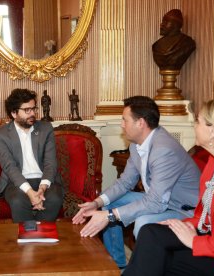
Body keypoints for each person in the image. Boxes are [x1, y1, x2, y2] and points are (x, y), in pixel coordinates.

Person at [124, 98, 214, 276]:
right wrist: (180, 225)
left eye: (198, 121)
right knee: (151, 232)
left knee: (159, 258)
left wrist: (195, 243)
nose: (194, 126)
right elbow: (203, 217)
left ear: (213, 131)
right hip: (212, 239)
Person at [72, 96, 200, 268]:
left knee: (143, 223)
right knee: (111, 202)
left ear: (140, 123)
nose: (122, 125)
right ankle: (118, 265)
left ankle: (148, 269)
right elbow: (125, 183)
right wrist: (96, 203)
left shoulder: (164, 150)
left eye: (125, 120)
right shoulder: (137, 144)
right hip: (160, 201)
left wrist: (110, 216)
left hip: (184, 210)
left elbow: (155, 203)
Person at [0, 88, 63, 222]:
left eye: (34, 109)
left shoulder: (45, 128)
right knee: (18, 201)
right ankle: (27, 238)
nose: (32, 114)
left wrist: (42, 188)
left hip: (45, 180)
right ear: (14, 113)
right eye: (27, 110)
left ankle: (42, 235)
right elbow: (9, 167)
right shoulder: (1, 134)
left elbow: (50, 163)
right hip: (16, 182)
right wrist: (30, 193)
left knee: (54, 198)